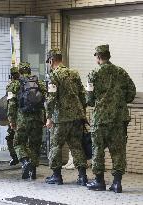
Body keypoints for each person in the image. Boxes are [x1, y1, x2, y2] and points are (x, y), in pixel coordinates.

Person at [86, 45, 136, 193]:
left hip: (100, 119)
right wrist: (119, 102)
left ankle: (99, 182)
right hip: (119, 119)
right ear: (108, 56)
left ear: (98, 57)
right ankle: (117, 183)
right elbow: (131, 92)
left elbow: (89, 99)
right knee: (118, 151)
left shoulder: (93, 74)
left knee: (98, 151)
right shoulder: (121, 72)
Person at [45, 48, 88, 186]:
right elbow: (83, 95)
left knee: (56, 146)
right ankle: (82, 177)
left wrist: (49, 117)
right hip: (76, 117)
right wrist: (82, 112)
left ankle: (56, 176)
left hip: (61, 118)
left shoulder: (54, 75)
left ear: (51, 61)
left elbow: (51, 98)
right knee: (76, 146)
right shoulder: (74, 73)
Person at [7, 62, 46, 179]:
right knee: (35, 145)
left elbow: (11, 104)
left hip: (23, 119)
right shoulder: (39, 83)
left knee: (18, 143)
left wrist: (11, 120)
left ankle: (25, 162)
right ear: (29, 71)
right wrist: (45, 118)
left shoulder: (14, 84)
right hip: (38, 119)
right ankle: (32, 172)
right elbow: (46, 100)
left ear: (20, 72)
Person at [6, 66, 20, 166]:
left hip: (15, 117)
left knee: (10, 138)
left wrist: (11, 120)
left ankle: (16, 158)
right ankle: (28, 162)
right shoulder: (24, 83)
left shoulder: (11, 86)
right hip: (26, 116)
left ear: (11, 76)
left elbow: (10, 104)